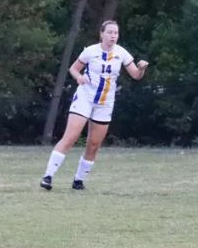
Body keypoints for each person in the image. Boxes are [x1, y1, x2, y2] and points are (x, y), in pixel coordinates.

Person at [40, 21, 149, 190]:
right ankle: (48, 177)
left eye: (116, 33)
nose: (113, 36)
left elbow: (136, 75)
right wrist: (79, 77)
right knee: (71, 137)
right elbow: (73, 69)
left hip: (105, 102)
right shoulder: (91, 51)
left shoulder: (121, 53)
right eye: (110, 32)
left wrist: (141, 68)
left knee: (94, 144)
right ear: (102, 34)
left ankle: (79, 180)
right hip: (86, 97)